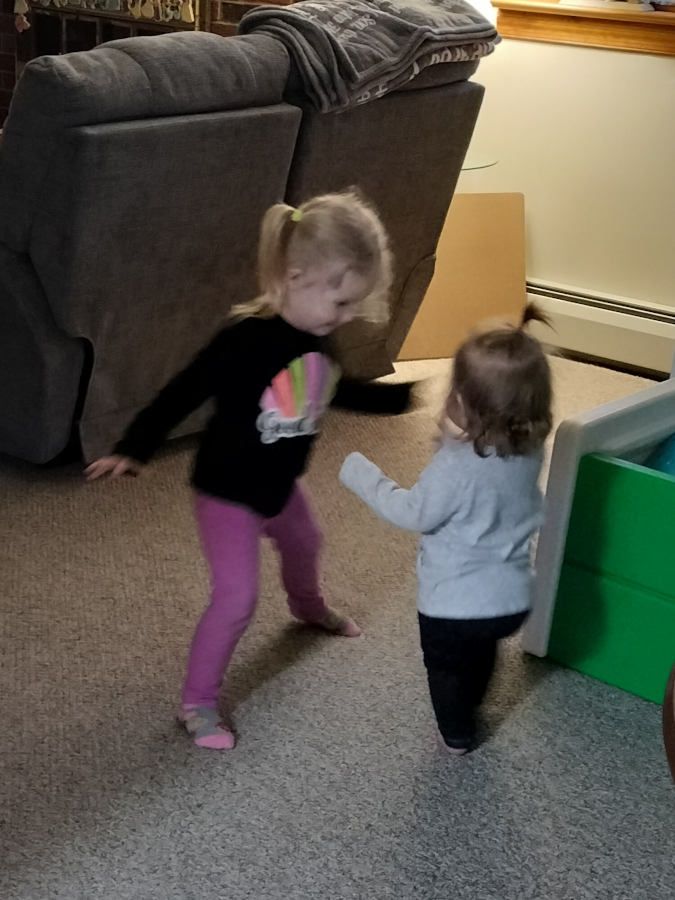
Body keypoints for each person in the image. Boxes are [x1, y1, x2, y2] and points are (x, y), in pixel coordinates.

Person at [86, 191, 395, 749]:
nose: (347, 317)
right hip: (227, 492)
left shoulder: (319, 337)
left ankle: (306, 607)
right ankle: (197, 703)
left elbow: (331, 387)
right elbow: (185, 389)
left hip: (279, 485)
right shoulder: (245, 340)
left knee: (307, 541)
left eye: (353, 304)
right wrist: (135, 446)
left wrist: (397, 401)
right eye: (342, 302)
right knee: (237, 598)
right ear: (296, 277)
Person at [340, 306, 553, 754]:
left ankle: (457, 733)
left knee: (445, 669)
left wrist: (362, 474)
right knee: (482, 654)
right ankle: (473, 703)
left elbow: (413, 513)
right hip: (511, 601)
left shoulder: (454, 467)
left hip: (452, 607)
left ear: (465, 403)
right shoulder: (531, 451)